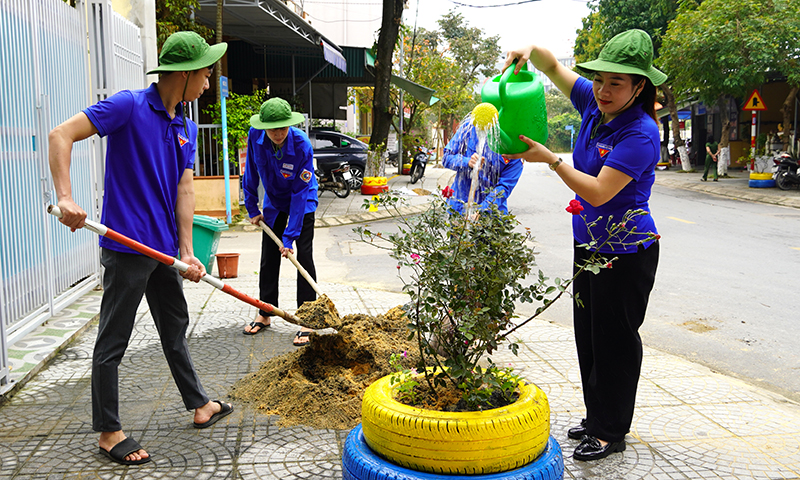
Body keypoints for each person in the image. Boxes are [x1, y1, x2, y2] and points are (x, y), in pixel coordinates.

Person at [48, 31, 233, 465]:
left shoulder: (184, 126)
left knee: (175, 328)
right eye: (205, 73)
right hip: (127, 247)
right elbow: (61, 135)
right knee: (114, 338)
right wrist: (66, 197)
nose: (208, 82)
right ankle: (109, 432)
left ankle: (200, 405)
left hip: (164, 251)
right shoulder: (129, 105)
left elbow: (184, 190)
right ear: (184, 74)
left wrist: (187, 251)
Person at [503, 29, 662, 461]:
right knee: (589, 338)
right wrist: (528, 50)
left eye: (617, 82)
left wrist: (553, 161)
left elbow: (597, 192)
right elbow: (551, 66)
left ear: (639, 86)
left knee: (615, 341)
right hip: (589, 245)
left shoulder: (641, 133)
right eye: (600, 79)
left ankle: (611, 431)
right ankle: (597, 418)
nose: (604, 90)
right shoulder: (593, 104)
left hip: (626, 252)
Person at [242, 98, 319, 346]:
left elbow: (299, 193)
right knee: (268, 257)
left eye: (282, 128)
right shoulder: (255, 136)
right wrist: (252, 207)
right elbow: (251, 173)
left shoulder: (302, 145)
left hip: (302, 201)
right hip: (274, 202)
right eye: (272, 128)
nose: (277, 134)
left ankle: (307, 318)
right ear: (263, 126)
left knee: (303, 256)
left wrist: (290, 237)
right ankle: (266, 312)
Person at [441, 122, 523, 216]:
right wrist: (467, 162)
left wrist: (482, 210)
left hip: (491, 216)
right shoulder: (470, 127)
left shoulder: (515, 146)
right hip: (459, 207)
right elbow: (447, 158)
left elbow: (504, 187)